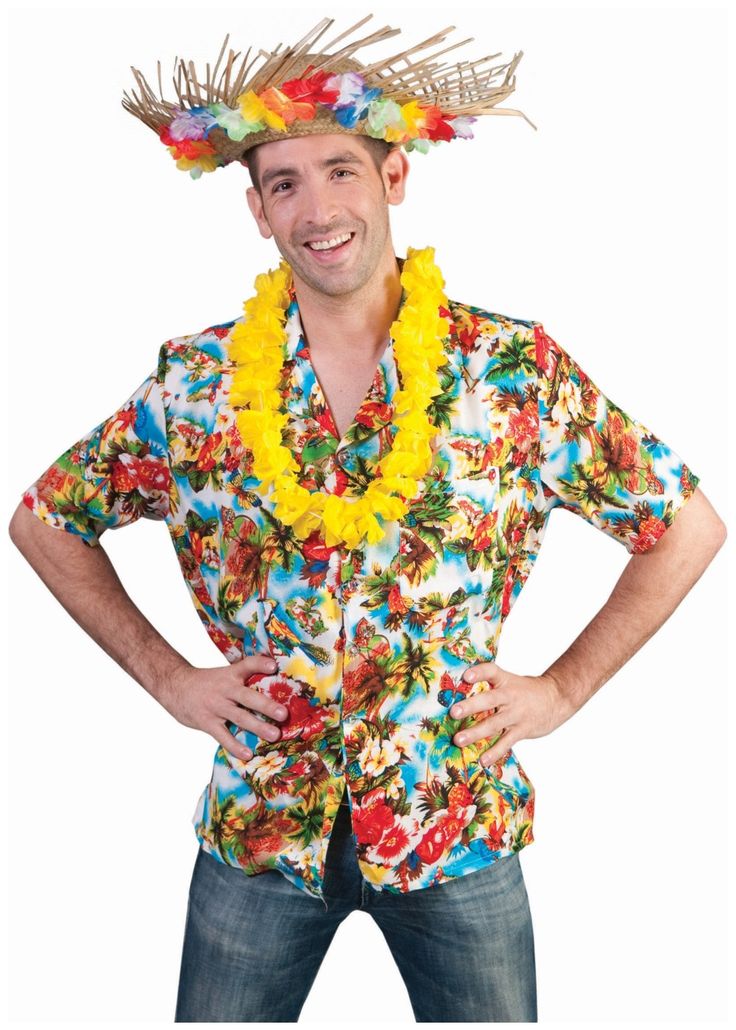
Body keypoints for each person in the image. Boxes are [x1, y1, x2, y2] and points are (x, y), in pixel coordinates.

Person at [8, 13, 726, 1024]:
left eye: (340, 170)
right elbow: (46, 519)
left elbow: (684, 524)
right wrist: (166, 677)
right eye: (285, 183)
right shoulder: (198, 384)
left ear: (393, 177)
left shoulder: (511, 372)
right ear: (257, 210)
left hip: (451, 821)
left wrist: (563, 688)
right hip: (261, 826)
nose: (317, 207)